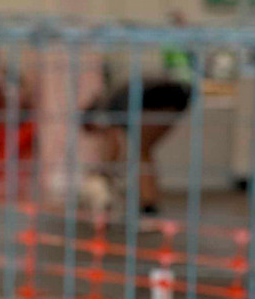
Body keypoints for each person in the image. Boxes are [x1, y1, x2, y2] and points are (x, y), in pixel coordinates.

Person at [82, 13, 194, 216]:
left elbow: (113, 144)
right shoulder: (113, 100)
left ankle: (148, 205)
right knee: (142, 149)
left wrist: (104, 171)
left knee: (141, 149)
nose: (96, 135)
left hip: (169, 98)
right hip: (173, 96)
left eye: (92, 131)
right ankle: (147, 203)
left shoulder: (110, 108)